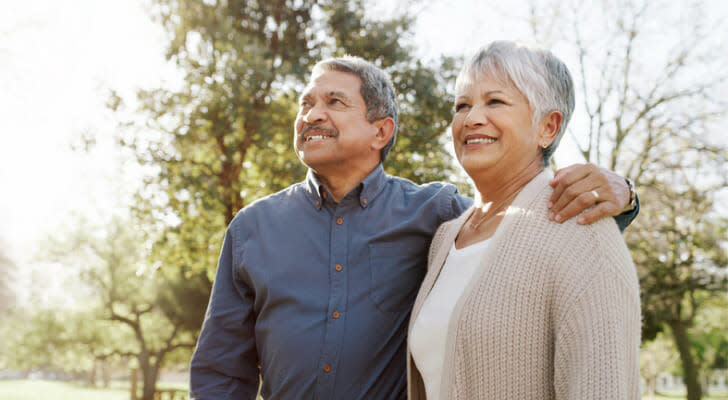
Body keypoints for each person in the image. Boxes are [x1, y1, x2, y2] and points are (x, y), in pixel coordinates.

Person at [189, 55, 639, 399]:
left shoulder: (438, 216)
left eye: (334, 102)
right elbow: (221, 370)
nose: (311, 115)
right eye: (306, 103)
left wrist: (623, 197)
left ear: (380, 132)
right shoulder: (252, 228)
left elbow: (523, 226)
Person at [407, 41, 641, 400]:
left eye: (495, 101)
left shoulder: (583, 231)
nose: (471, 119)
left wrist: (628, 194)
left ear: (548, 127)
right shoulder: (445, 238)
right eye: (462, 105)